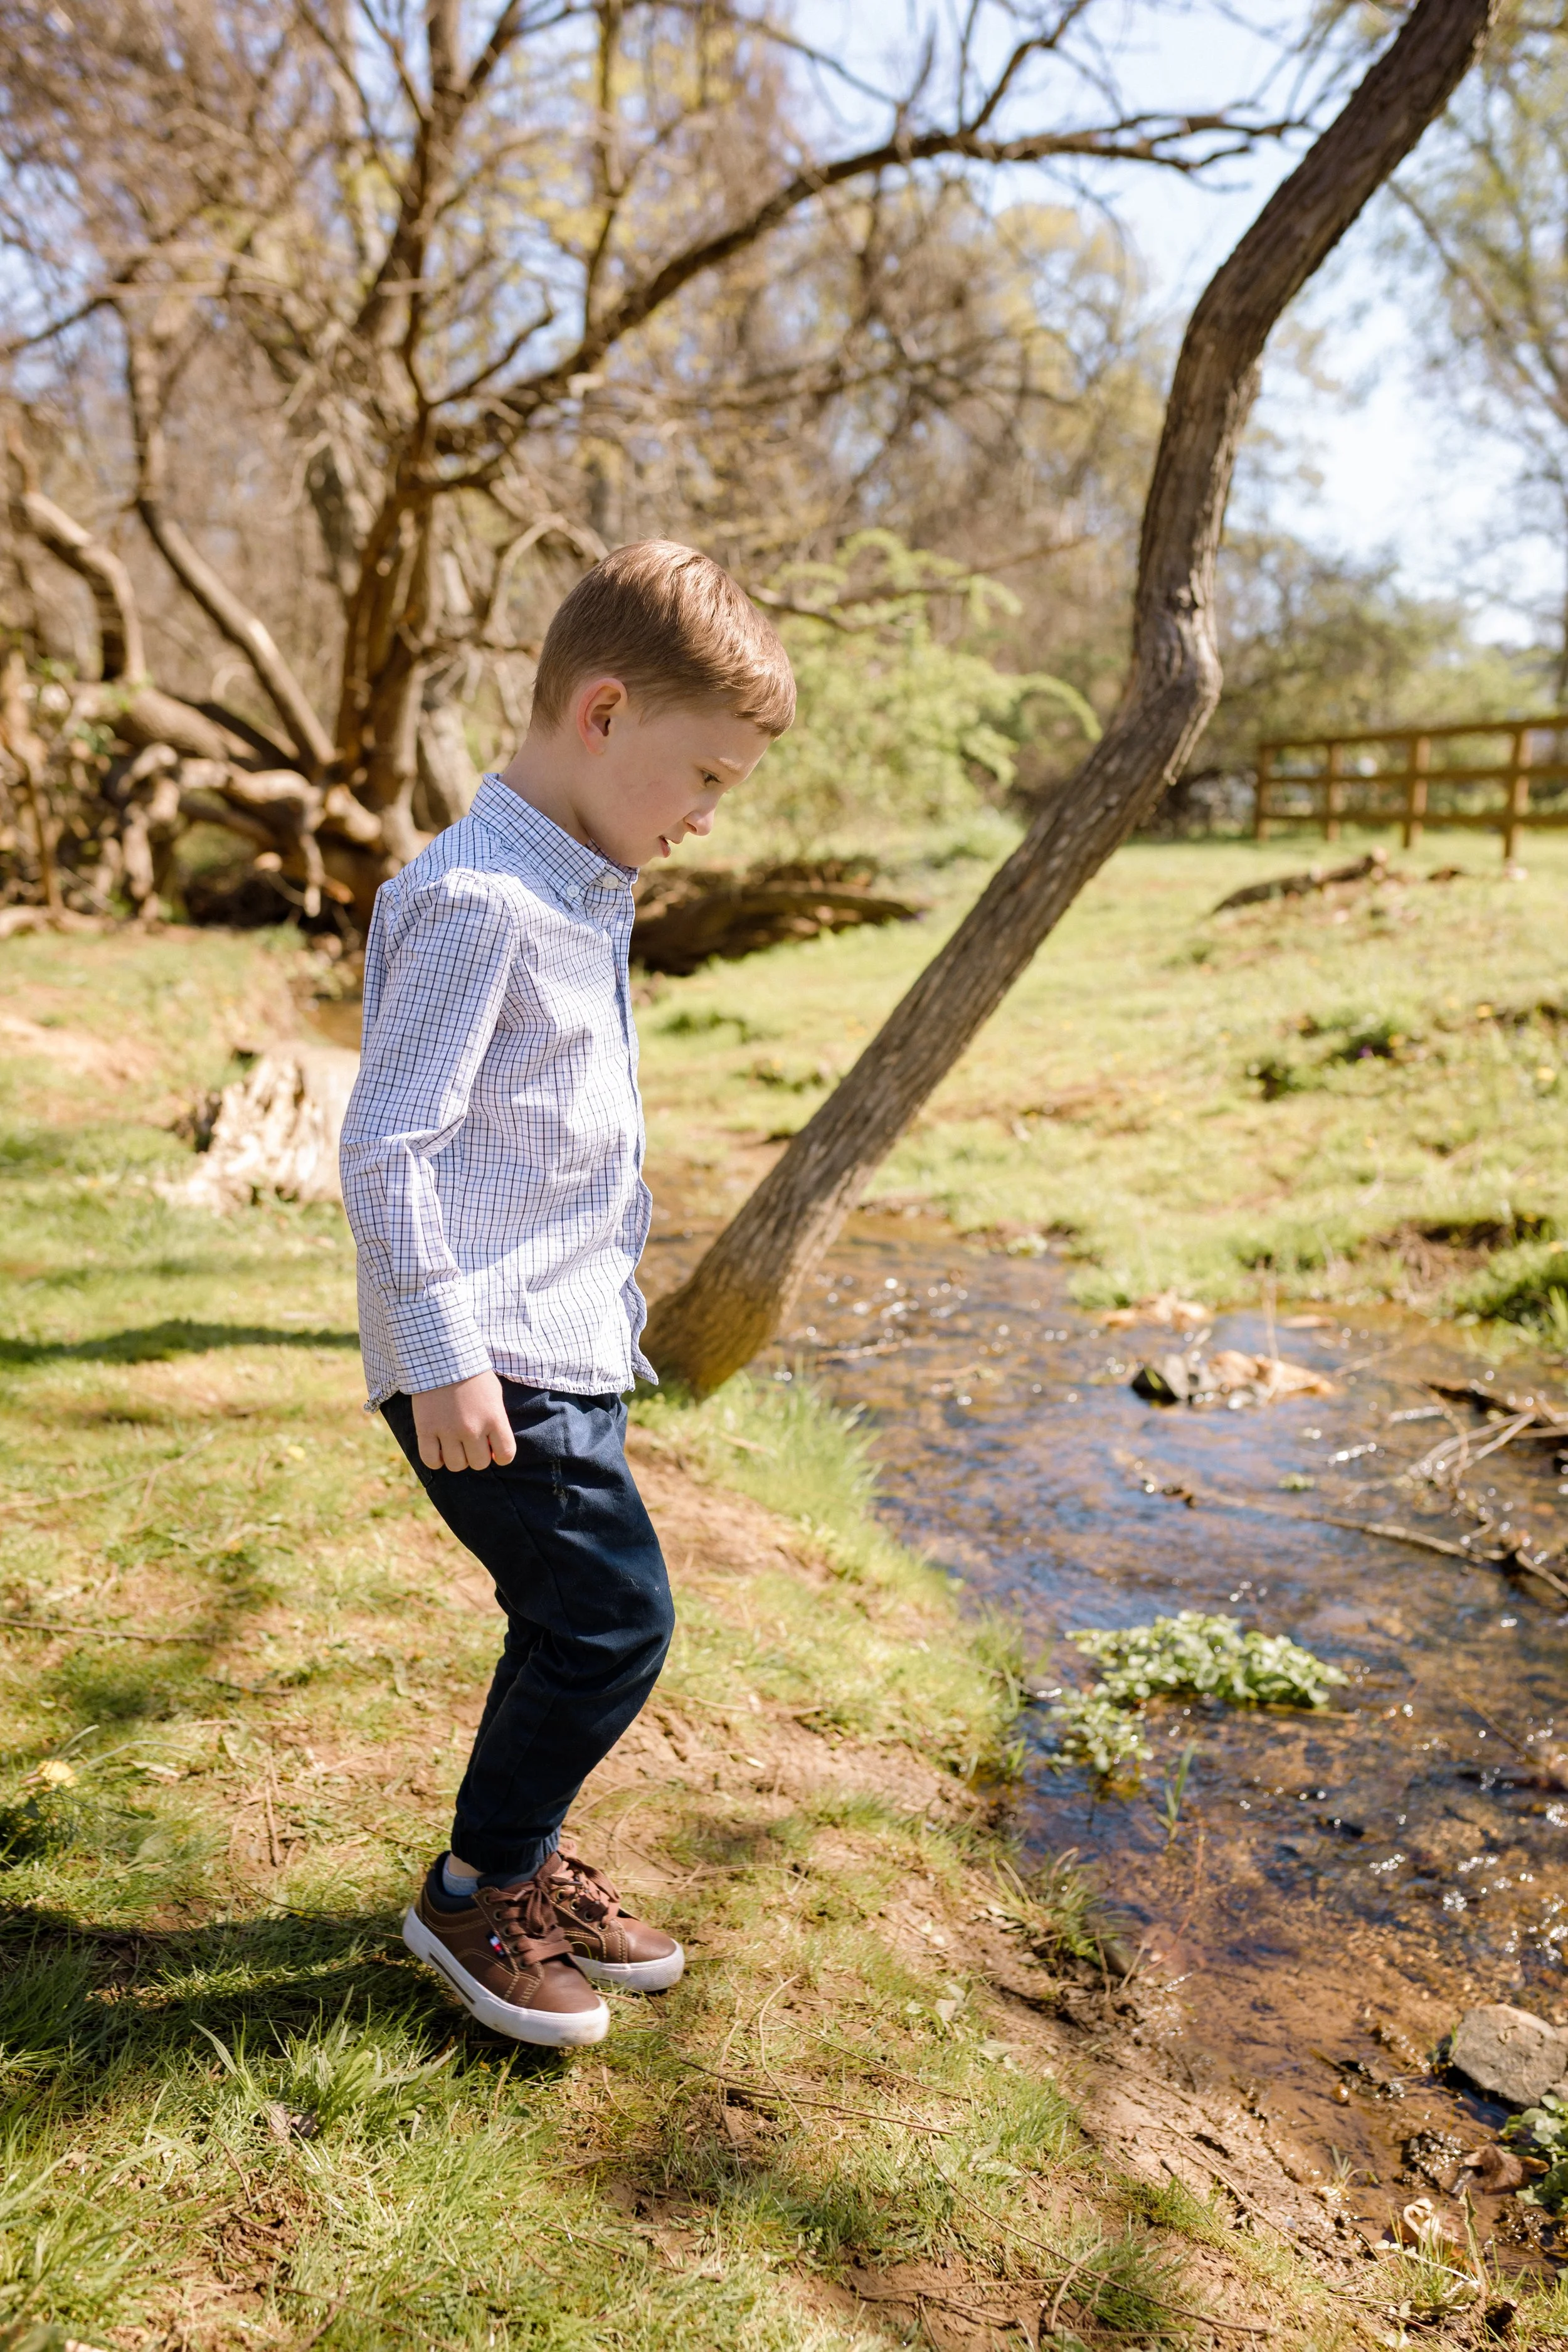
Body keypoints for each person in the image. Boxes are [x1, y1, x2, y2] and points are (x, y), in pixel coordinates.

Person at [341, 542, 793, 2046]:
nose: (710, 817)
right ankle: (474, 1895)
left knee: (566, 1616)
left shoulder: (572, 887)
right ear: (601, 713)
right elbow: (388, 1144)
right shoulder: (483, 902)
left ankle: (519, 1869)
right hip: (491, 1359)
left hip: (557, 1347)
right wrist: (445, 1357)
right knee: (611, 1622)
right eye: (705, 777)